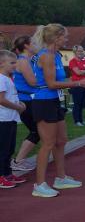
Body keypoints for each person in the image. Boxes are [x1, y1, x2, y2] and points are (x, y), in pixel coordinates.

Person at [30, 24, 85, 198]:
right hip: (44, 102)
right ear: (56, 37)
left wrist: (84, 82)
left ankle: (60, 178)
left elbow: (62, 79)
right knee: (48, 143)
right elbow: (51, 84)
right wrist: (79, 83)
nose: (66, 39)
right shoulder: (46, 56)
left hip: (54, 101)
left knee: (61, 140)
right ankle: (39, 184)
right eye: (64, 36)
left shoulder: (56, 55)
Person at [10, 36, 40, 172]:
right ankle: (17, 161)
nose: (36, 45)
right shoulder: (23, 61)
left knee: (38, 130)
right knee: (37, 130)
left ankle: (18, 160)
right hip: (25, 100)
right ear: (27, 46)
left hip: (28, 99)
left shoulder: (27, 60)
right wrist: (51, 81)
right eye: (34, 43)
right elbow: (33, 82)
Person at [0, 50, 28, 188]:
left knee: (9, 149)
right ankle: (1, 176)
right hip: (3, 120)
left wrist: (20, 103)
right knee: (3, 149)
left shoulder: (8, 78)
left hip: (10, 119)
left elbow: (11, 97)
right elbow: (1, 100)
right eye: (12, 63)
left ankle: (7, 173)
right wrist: (17, 107)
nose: (15, 65)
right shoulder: (1, 79)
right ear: (1, 63)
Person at [68, 45, 85, 127]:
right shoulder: (72, 61)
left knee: (82, 103)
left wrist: (84, 71)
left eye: (82, 51)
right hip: (77, 84)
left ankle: (80, 120)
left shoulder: (83, 61)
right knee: (77, 103)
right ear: (75, 52)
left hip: (84, 84)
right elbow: (78, 72)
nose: (81, 52)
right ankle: (76, 121)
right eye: (79, 51)